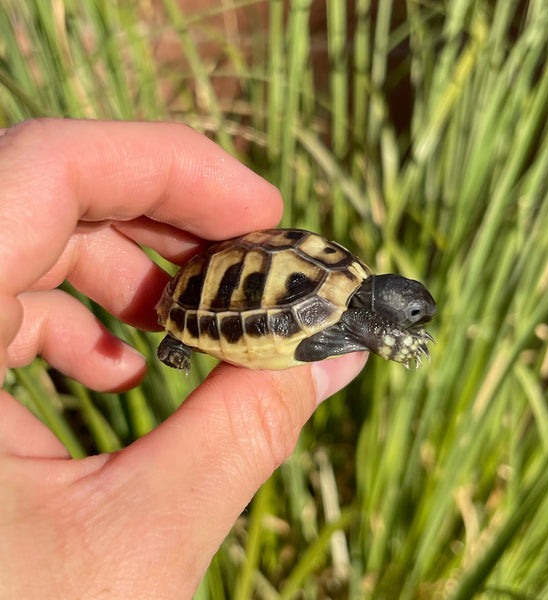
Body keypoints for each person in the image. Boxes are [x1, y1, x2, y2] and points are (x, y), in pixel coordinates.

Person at [0, 119, 366, 598]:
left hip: (244, 286)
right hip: (213, 295)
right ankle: (179, 333)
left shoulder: (353, 285)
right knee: (194, 323)